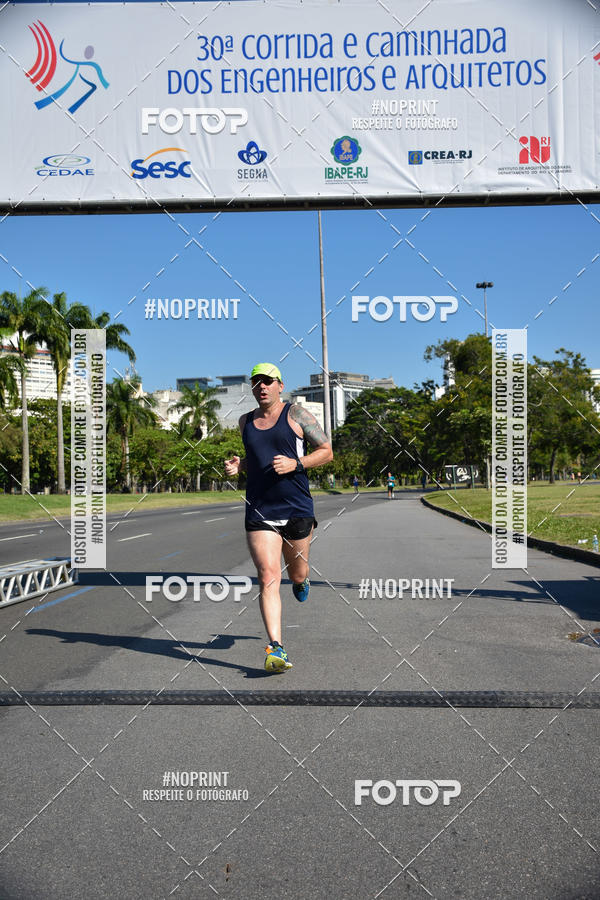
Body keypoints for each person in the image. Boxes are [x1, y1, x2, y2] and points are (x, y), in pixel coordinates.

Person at [224, 363, 333, 673]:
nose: (262, 386)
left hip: (297, 507)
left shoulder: (296, 414)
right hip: (261, 509)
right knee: (268, 575)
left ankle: (301, 580)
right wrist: (240, 466)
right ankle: (276, 647)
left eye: (268, 381)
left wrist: (296, 463)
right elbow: (258, 459)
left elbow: (326, 451)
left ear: (280, 385)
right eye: (257, 381)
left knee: (296, 574)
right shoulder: (245, 422)